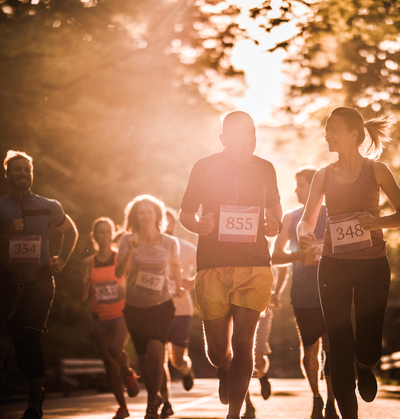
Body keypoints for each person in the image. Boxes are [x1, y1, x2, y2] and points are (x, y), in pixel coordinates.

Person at [297, 107, 400, 419]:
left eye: (332, 129)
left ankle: (365, 366)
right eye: (325, 128)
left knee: (369, 342)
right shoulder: (323, 175)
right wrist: (305, 235)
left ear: (353, 134)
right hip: (333, 265)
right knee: (337, 340)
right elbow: (306, 221)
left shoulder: (377, 171)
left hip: (372, 265)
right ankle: (349, 415)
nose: (326, 134)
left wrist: (377, 222)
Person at [179, 111, 283, 419]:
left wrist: (273, 224)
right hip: (213, 265)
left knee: (243, 342)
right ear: (223, 140)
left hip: (255, 266)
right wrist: (199, 225)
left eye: (250, 138)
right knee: (217, 353)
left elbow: (276, 211)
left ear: (254, 138)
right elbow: (185, 214)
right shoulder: (204, 167)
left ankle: (235, 413)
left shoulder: (266, 168)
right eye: (238, 139)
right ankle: (224, 371)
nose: (246, 145)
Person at [0, 150, 78, 419]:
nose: (23, 174)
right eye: (17, 170)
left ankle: (34, 405)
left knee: (32, 337)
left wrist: (63, 259)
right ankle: (37, 389)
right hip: (12, 285)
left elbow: (70, 231)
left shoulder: (49, 205)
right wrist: (7, 234)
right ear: (7, 174)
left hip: (41, 281)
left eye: (27, 169)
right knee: (20, 345)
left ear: (32, 174)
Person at [271, 166, 338, 419]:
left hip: (333, 291)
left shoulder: (334, 214)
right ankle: (316, 397)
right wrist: (300, 255)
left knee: (332, 348)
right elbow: (274, 256)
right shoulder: (291, 217)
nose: (295, 190)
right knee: (310, 349)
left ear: (313, 188)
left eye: (299, 185)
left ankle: (332, 400)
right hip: (303, 294)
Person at [115, 195, 184, 419]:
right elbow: (118, 273)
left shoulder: (169, 242)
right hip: (135, 307)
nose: (145, 216)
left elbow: (175, 266)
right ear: (135, 216)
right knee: (144, 358)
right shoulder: (127, 240)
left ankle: (151, 405)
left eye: (150, 212)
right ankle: (157, 395)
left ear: (157, 216)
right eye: (141, 212)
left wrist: (179, 287)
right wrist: (132, 250)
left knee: (157, 349)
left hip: (162, 304)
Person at [80, 217, 140, 419]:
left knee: (115, 349)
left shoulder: (119, 259)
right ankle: (122, 407)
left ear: (112, 234)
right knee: (108, 363)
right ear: (94, 236)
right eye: (100, 232)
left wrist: (126, 291)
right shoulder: (88, 262)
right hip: (99, 317)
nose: (104, 236)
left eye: (108, 232)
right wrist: (84, 281)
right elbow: (83, 296)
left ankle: (128, 372)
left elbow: (133, 282)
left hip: (121, 315)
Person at [157, 208, 198, 418]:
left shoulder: (186, 248)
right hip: (156, 308)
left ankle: (185, 369)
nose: (163, 224)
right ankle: (166, 402)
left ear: (172, 225)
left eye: (167, 221)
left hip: (181, 310)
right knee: (159, 358)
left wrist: (189, 283)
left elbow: (204, 270)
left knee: (176, 360)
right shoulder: (151, 248)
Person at [240, 300, 274, 419]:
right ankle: (248, 405)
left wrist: (275, 294)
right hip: (237, 309)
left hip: (260, 307)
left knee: (258, 355)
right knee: (239, 360)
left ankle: (262, 375)